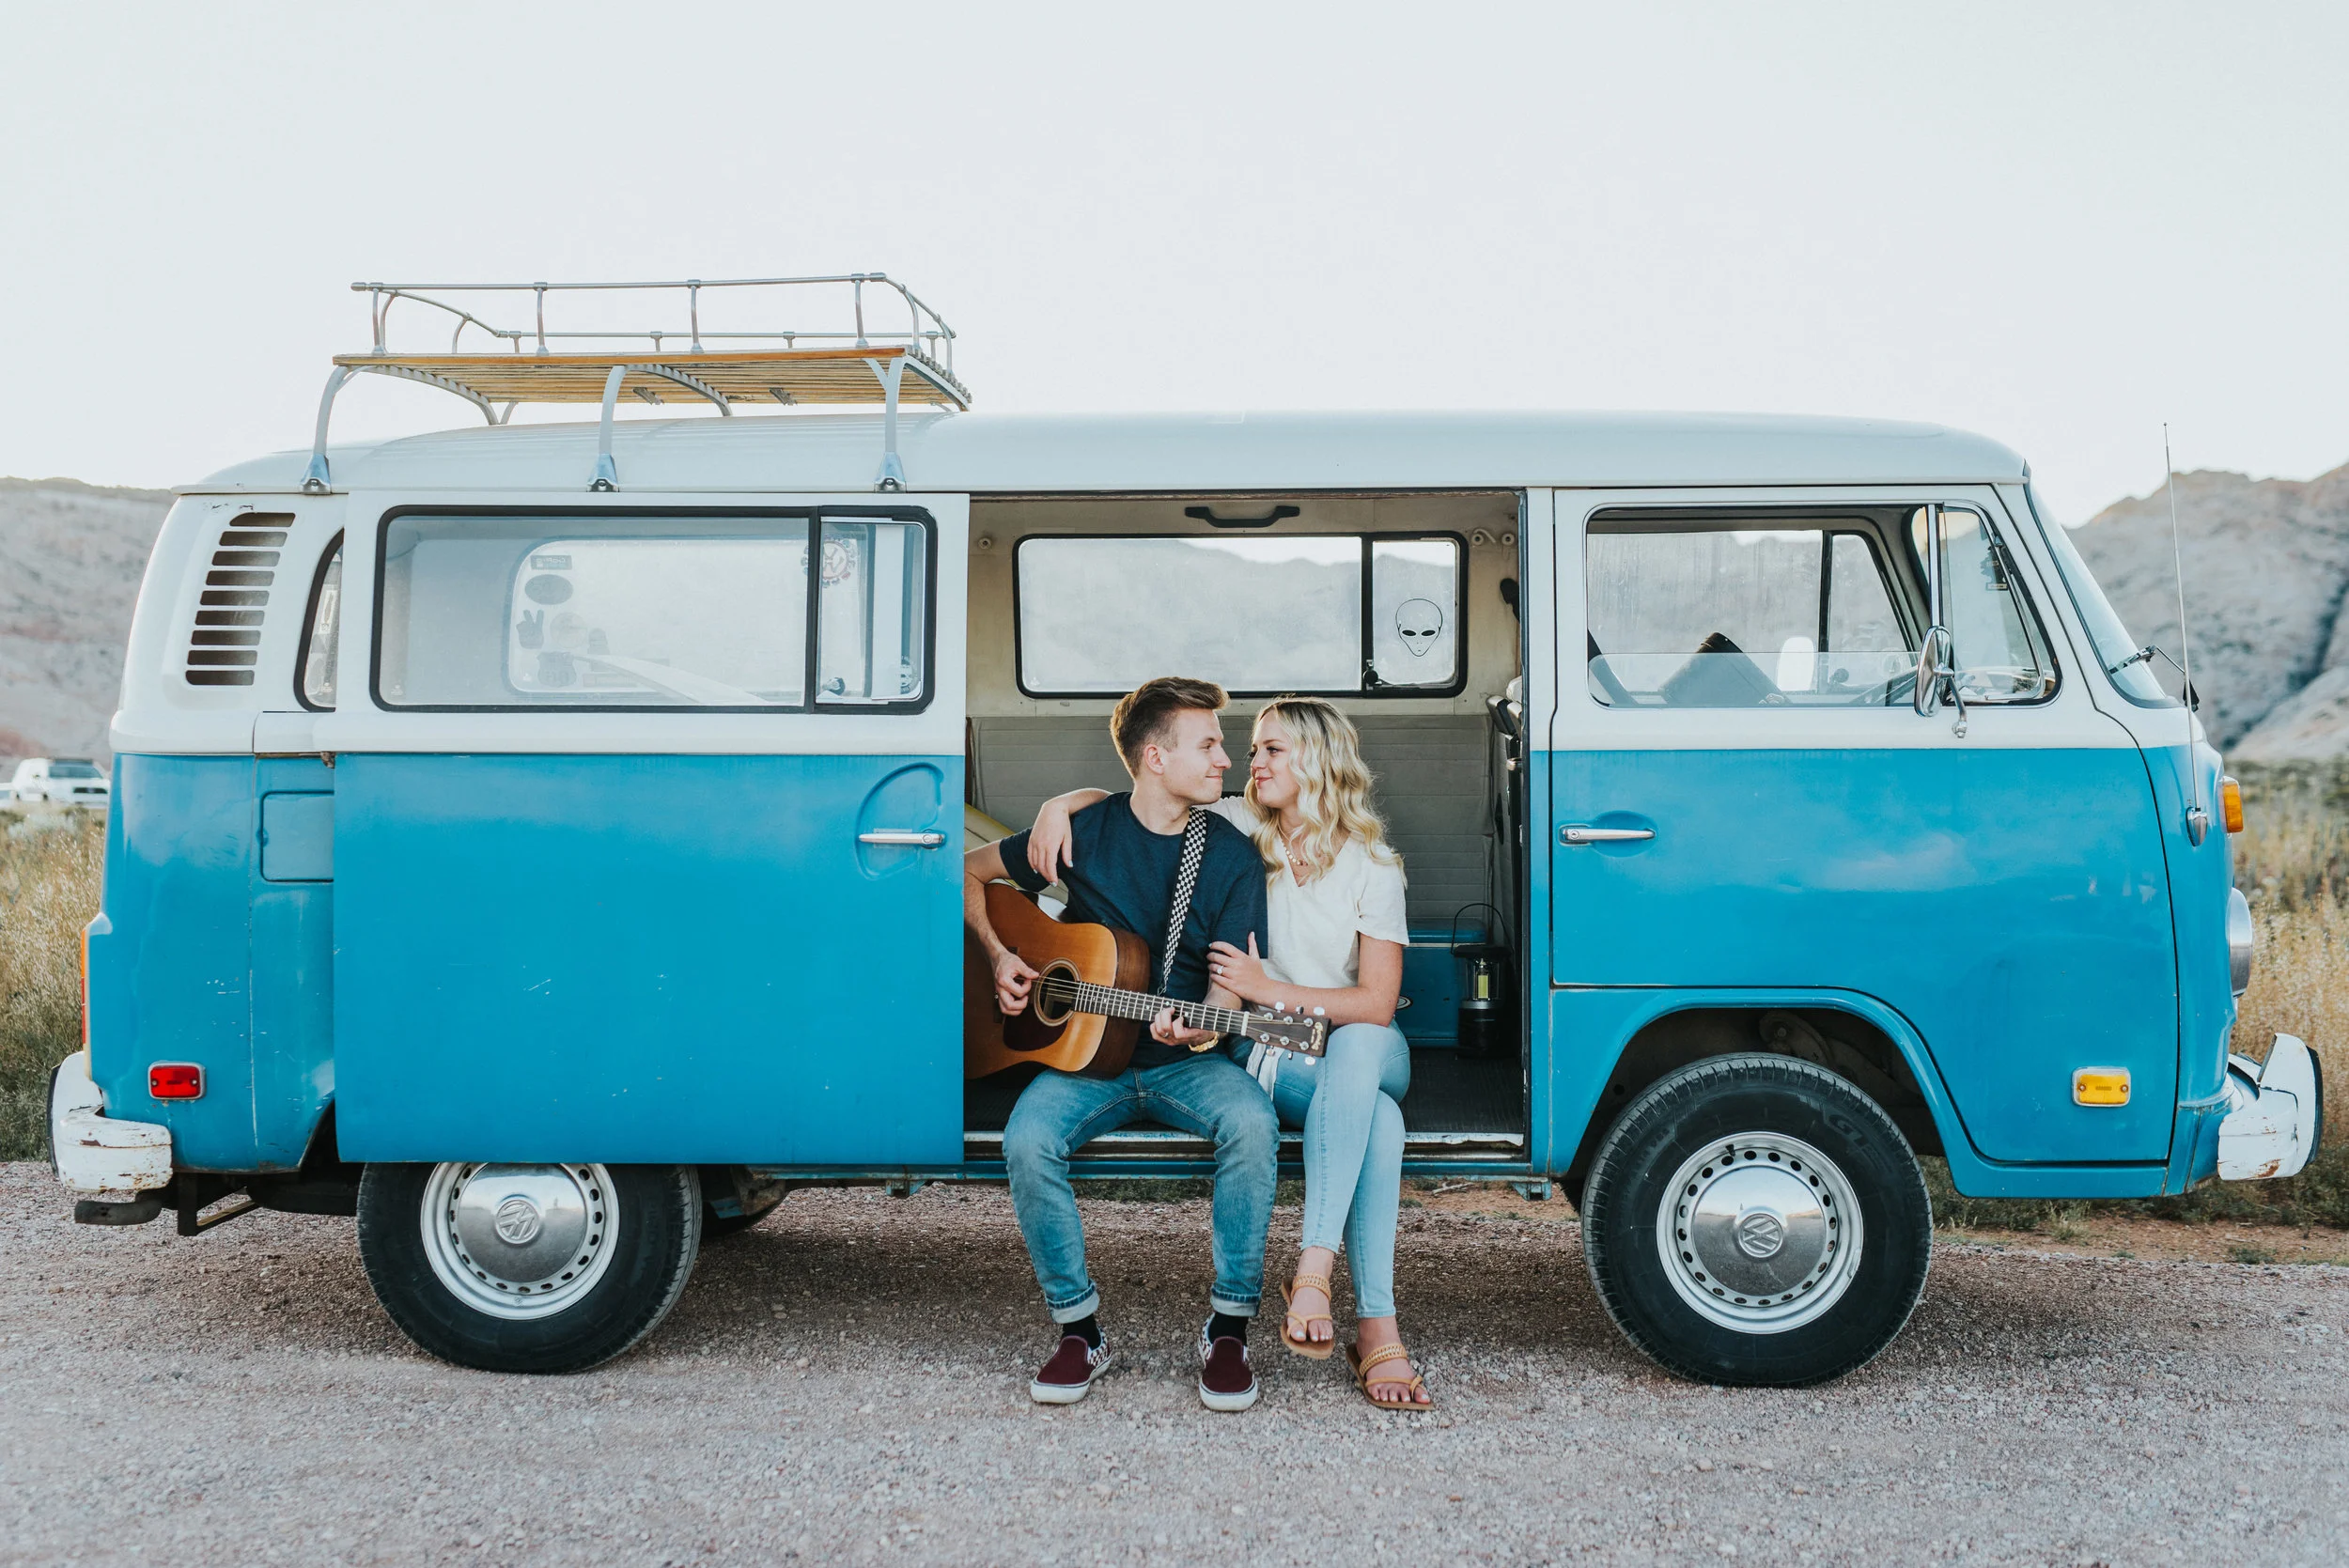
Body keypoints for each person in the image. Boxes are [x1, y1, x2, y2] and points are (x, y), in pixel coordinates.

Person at [1028, 695, 1431, 1408]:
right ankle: (1376, 1324)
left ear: (1317, 759)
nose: (1250, 763)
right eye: (1250, 752)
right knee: (1382, 1126)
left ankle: (1313, 1264)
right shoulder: (1246, 825)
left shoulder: (1374, 864)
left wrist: (1269, 988)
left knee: (1363, 1047)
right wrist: (1060, 802)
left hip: (1365, 1043)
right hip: (1291, 1055)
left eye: (1270, 750)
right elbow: (1143, 795)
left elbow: (1374, 1002)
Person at [964, 675, 1278, 1412]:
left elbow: (1229, 983)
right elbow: (968, 874)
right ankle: (1080, 1330)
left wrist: (1204, 1020)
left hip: (1184, 1063)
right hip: (1085, 1062)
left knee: (1253, 1125)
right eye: (1207, 744)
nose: (1225, 759)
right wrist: (998, 955)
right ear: (1153, 757)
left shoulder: (1231, 855)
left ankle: (1228, 1328)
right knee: (1027, 1138)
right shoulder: (1084, 830)